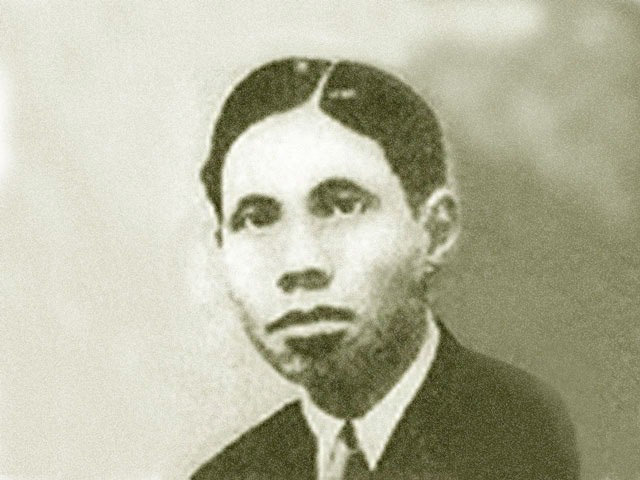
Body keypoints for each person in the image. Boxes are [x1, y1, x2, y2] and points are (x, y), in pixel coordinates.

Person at [191, 57, 579, 480]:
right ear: (222, 248)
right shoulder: (227, 475)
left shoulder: (530, 437)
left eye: (342, 207)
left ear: (435, 231)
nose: (299, 264)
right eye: (257, 220)